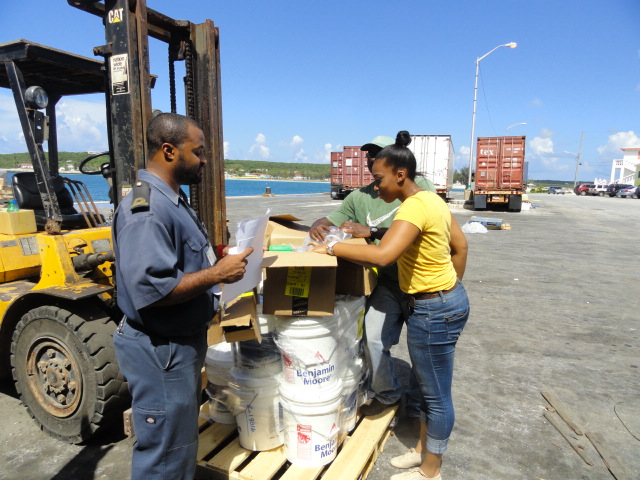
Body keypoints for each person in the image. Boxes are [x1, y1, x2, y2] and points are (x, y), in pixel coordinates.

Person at [311, 131, 469, 480]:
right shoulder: (433, 200)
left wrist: (332, 248)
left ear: (400, 175)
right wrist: (453, 289)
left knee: (437, 395)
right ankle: (422, 450)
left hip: (433, 307)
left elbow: (383, 255)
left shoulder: (413, 206)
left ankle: (431, 471)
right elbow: (462, 247)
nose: (375, 186)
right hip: (441, 300)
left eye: (379, 178)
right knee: (430, 388)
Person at [112, 113, 253, 480]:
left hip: (177, 346)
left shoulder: (172, 199)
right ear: (169, 150)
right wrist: (217, 275)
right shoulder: (147, 210)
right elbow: (151, 291)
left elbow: (183, 260)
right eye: (200, 152)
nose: (205, 160)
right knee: (165, 455)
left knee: (179, 442)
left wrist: (218, 259)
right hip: (161, 350)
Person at [309, 135, 436, 417]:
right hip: (389, 283)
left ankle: (417, 406)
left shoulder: (421, 190)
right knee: (373, 337)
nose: (371, 162)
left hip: (420, 284)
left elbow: (428, 235)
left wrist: (369, 233)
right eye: (369, 157)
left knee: (422, 353)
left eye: (378, 155)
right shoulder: (359, 196)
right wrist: (317, 227)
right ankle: (387, 393)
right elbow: (328, 221)